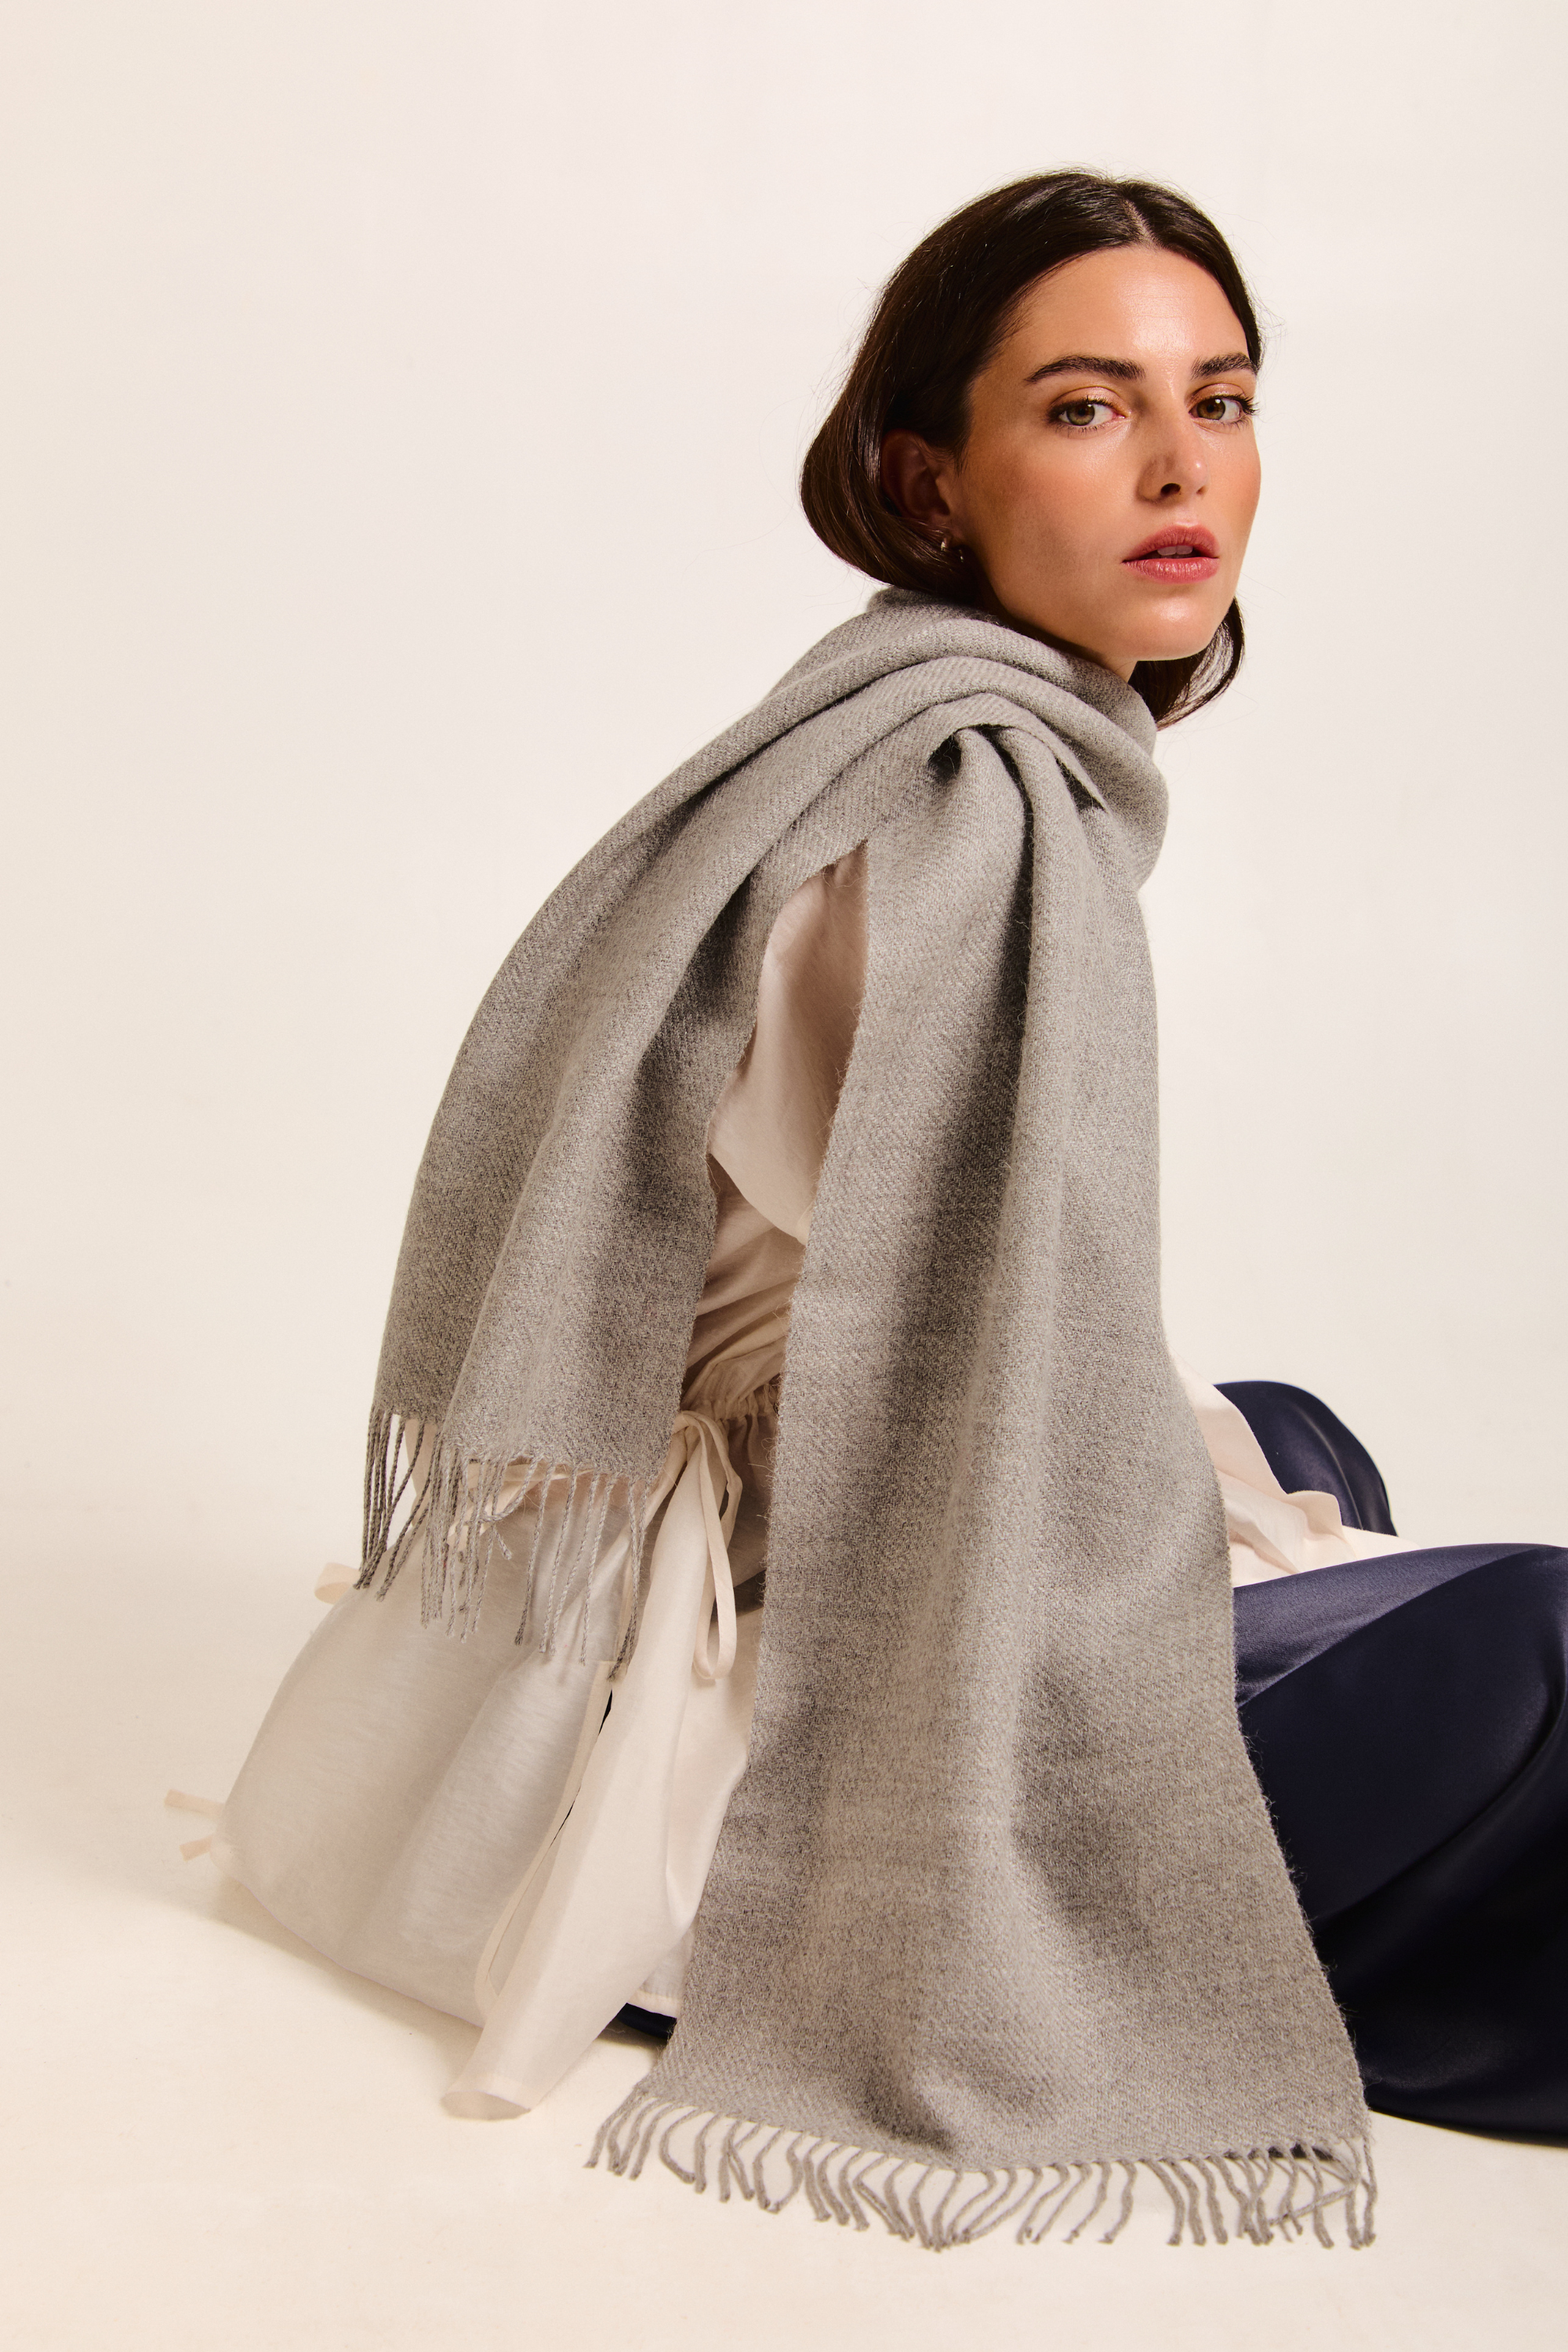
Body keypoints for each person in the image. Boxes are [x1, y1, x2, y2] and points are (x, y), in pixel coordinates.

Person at [183, 173, 1566, 2252]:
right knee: (1534, 1630)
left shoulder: (892, 724)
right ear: (931, 476)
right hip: (812, 1654)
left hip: (761, 1530)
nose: (1188, 467)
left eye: (1228, 399)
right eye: (1091, 410)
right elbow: (993, 1386)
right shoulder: (964, 814)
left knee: (1293, 1437)